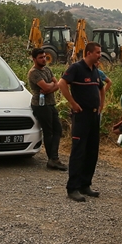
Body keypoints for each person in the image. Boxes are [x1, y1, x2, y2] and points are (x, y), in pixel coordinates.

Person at [59, 42, 104, 202]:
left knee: (92, 152)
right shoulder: (76, 68)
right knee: (79, 152)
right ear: (88, 53)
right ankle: (73, 188)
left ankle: (86, 185)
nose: (100, 55)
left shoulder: (95, 71)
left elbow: (101, 88)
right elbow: (61, 84)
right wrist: (73, 103)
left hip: (93, 117)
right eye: (97, 52)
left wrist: (100, 106)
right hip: (81, 116)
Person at [28, 48, 66, 170]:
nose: (44, 59)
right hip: (40, 105)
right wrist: (51, 85)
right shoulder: (34, 72)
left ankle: (53, 157)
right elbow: (48, 86)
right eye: (41, 57)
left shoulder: (47, 70)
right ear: (34, 59)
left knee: (58, 130)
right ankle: (53, 159)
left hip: (50, 103)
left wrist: (51, 86)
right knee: (48, 131)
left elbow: (57, 85)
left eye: (44, 57)